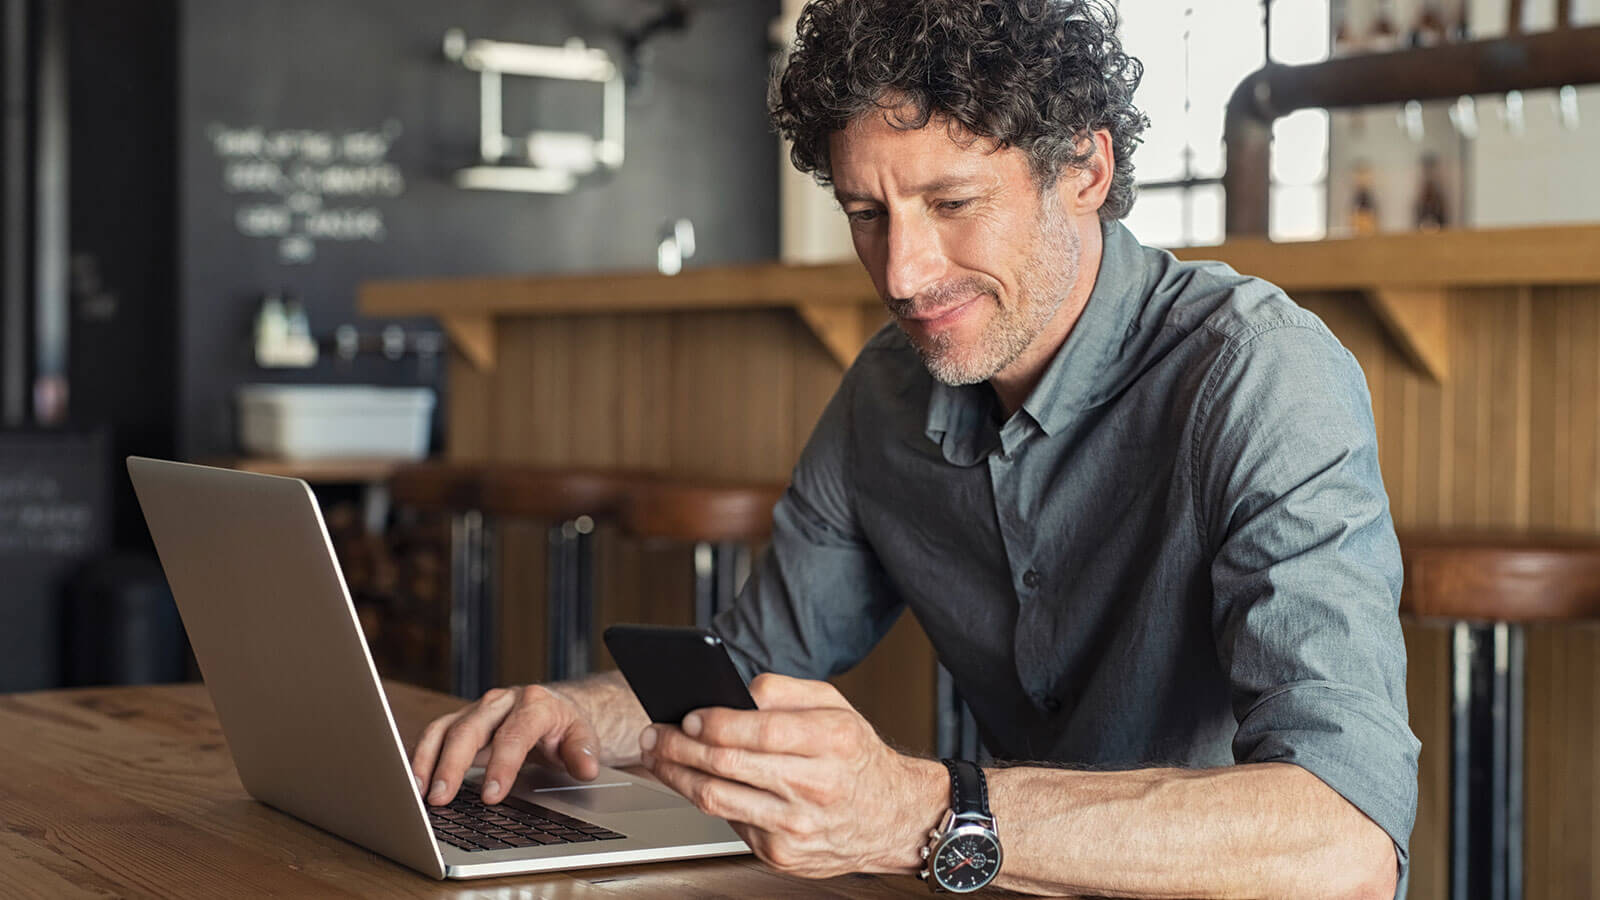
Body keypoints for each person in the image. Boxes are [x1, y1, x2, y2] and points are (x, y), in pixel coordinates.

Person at [411, 1, 1419, 896]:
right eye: (865, 213)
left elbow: (1345, 844)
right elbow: (750, 669)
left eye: (950, 204)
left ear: (1084, 168)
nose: (902, 272)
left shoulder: (1260, 375)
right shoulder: (887, 394)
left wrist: (920, 812)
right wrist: (566, 713)